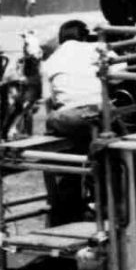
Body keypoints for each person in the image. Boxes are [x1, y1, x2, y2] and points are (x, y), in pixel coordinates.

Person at [42, 20, 104, 223]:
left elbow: (49, 100)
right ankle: (102, 200)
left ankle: (60, 202)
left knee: (61, 145)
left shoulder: (51, 60)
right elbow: (119, 71)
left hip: (69, 117)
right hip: (100, 113)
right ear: (84, 36)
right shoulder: (96, 48)